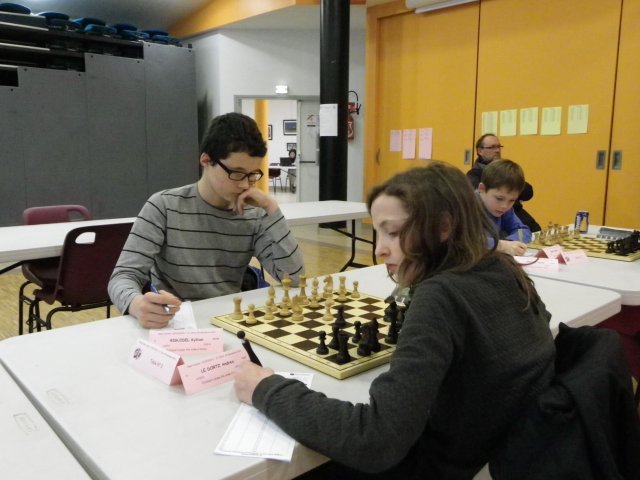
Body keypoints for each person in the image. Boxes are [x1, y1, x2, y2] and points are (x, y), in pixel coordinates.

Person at [233, 162, 555, 479]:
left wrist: (266, 389)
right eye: (378, 233)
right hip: (510, 453)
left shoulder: (441, 295)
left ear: (443, 227)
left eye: (394, 233)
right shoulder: (505, 269)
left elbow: (376, 440)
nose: (380, 251)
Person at [108, 112, 304, 328]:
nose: (245, 185)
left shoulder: (254, 214)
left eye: (252, 175)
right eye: (236, 173)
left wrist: (271, 208)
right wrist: (136, 304)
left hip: (230, 321)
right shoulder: (164, 206)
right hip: (176, 324)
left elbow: (295, 278)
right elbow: (123, 276)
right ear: (206, 160)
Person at [467, 134, 541, 232]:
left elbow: (528, 193)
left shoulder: (506, 207)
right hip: (497, 221)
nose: (497, 150)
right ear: (480, 151)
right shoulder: (474, 175)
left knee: (535, 230)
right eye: (492, 147)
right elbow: (472, 238)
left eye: (499, 147)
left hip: (516, 215)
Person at [478, 159, 532, 256]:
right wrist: (502, 246)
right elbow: (463, 241)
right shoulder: (465, 207)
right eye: (499, 198)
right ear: (482, 189)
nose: (505, 206)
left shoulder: (504, 209)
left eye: (512, 200)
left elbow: (522, 230)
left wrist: (511, 243)